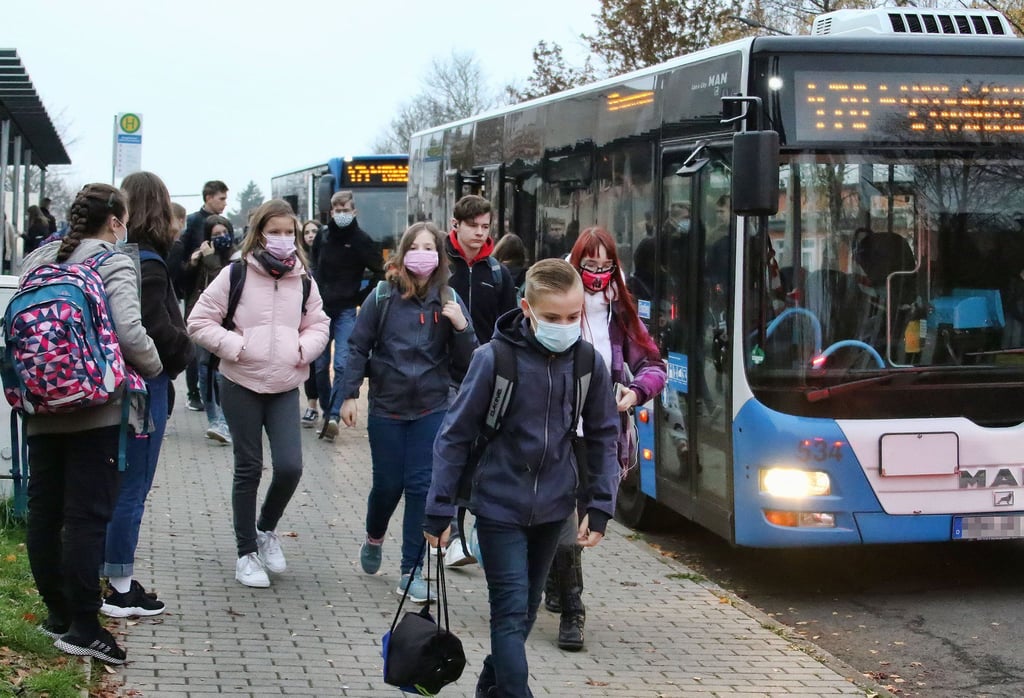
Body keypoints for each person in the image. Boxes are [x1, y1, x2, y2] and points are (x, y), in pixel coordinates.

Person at [424, 258, 619, 698]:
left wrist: (600, 504)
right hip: (499, 507)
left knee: (526, 613)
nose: (564, 327)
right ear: (527, 309)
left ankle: (490, 690)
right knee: (510, 615)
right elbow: (453, 436)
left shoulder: (586, 362)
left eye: (573, 317)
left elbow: (605, 434)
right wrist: (439, 509)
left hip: (554, 509)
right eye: (552, 317)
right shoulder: (493, 359)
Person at [22, 183, 163, 664]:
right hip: (96, 405)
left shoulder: (38, 259)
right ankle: (85, 626)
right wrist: (154, 366)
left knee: (45, 513)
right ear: (116, 221)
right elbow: (129, 331)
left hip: (40, 403)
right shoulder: (112, 260)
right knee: (86, 517)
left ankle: (57, 615)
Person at [187, 199, 329, 588]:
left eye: (289, 232)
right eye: (274, 231)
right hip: (240, 383)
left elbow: (319, 324)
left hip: (284, 385)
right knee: (248, 467)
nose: (283, 238)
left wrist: (302, 349)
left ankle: (265, 529)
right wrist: (236, 346)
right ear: (259, 234)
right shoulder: (235, 273)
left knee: (290, 466)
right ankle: (246, 553)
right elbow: (199, 320)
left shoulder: (303, 279)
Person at [338, 221, 476, 603]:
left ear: (440, 256)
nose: (422, 254)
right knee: (387, 486)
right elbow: (358, 345)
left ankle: (410, 571)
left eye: (429, 248)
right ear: (403, 252)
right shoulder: (382, 295)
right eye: (415, 247)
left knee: (420, 487)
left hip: (432, 407)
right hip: (387, 407)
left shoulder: (449, 298)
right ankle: (374, 536)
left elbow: (471, 360)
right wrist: (349, 395)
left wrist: (461, 327)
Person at [545, 226, 667, 651]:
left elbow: (654, 365)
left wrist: (634, 392)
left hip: (599, 437)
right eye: (589, 264)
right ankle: (573, 611)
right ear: (574, 263)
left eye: (605, 265)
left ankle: (557, 582)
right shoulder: (556, 308)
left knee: (582, 520)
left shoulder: (621, 314)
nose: (597, 273)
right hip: (554, 434)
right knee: (563, 521)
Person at [101, 172, 194, 618]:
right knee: (132, 487)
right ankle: (119, 587)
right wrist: (183, 351)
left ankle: (106, 575)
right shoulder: (148, 265)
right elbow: (153, 329)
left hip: (108, 383)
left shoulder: (114, 257)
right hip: (141, 386)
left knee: (112, 484)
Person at [443, 195, 517, 566]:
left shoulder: (498, 274)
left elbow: (510, 326)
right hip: (447, 375)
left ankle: (475, 529)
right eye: (473, 226)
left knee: (480, 453)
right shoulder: (441, 266)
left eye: (486, 227)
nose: (479, 233)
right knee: (454, 450)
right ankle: (453, 535)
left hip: (487, 375)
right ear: (455, 225)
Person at [310, 191, 385, 442]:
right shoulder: (322, 236)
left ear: (354, 212)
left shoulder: (361, 240)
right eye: (337, 210)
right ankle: (326, 408)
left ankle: (333, 415)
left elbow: (379, 271)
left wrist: (360, 297)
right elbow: (313, 265)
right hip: (321, 309)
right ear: (331, 212)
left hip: (346, 310)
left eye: (345, 210)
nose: (341, 214)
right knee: (319, 365)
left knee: (342, 362)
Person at [186, 214, 236, 444]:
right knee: (204, 371)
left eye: (224, 233)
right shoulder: (201, 258)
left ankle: (225, 422)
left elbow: (225, 284)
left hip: (228, 324)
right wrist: (192, 264)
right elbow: (183, 285)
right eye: (216, 235)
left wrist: (211, 260)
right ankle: (214, 419)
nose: (221, 237)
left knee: (221, 373)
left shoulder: (236, 259)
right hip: (203, 323)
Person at [178, 182, 228, 410]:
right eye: (221, 198)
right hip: (197, 295)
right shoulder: (193, 222)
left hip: (220, 299)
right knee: (196, 351)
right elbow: (182, 261)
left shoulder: (224, 228)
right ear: (208, 198)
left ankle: (215, 397)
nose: (224, 203)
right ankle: (193, 393)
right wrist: (193, 261)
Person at [299, 219, 322, 427]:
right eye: (307, 232)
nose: (311, 235)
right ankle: (312, 405)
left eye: (314, 231)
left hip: (326, 312)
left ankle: (329, 408)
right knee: (311, 363)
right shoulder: (299, 259)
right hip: (305, 317)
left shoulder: (326, 254)